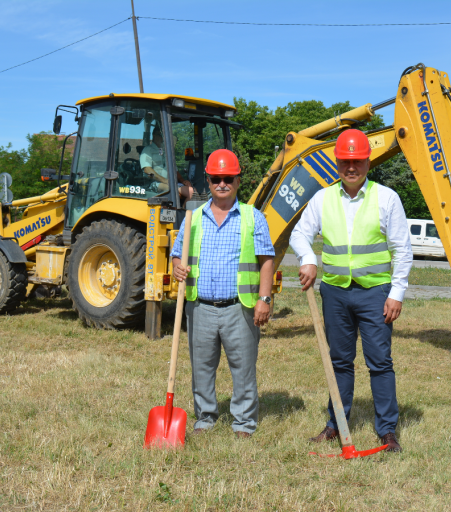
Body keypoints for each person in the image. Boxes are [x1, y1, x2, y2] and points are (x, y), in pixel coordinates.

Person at [289, 129, 413, 453]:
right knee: (339, 362)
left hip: (375, 293)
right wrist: (307, 259)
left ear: (368, 162)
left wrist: (397, 292)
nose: (351, 167)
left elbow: (402, 249)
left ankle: (387, 430)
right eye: (346, 161)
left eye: (357, 161)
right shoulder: (323, 198)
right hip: (335, 293)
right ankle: (336, 424)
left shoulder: (386, 198)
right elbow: (299, 234)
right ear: (337, 163)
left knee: (380, 362)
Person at [171, 149, 275, 438]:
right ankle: (205, 418)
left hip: (238, 308)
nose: (222, 184)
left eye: (228, 178)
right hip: (200, 308)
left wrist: (264, 299)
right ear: (207, 180)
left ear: (238, 180)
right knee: (201, 367)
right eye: (216, 178)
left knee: (243, 367)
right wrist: (177, 267)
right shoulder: (192, 218)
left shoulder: (253, 217)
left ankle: (244, 422)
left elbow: (267, 260)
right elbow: (177, 254)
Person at [140, 124, 194, 199]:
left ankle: (184, 207)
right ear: (154, 135)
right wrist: (165, 180)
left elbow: (174, 170)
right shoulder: (147, 150)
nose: (161, 138)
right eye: (159, 135)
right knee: (177, 194)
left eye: (162, 135)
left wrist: (183, 181)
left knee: (193, 191)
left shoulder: (166, 151)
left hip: (169, 183)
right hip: (154, 183)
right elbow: (147, 170)